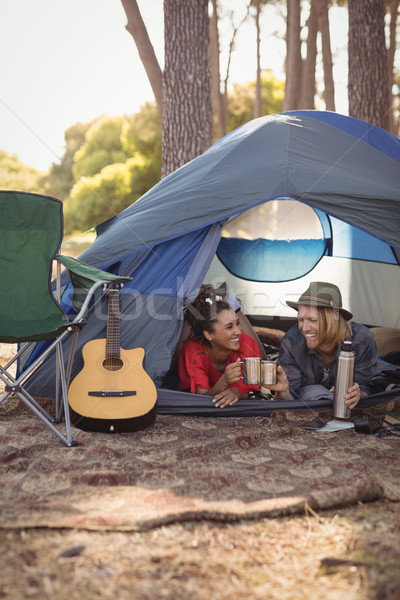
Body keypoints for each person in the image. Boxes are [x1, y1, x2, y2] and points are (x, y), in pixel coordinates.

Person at [264, 281, 378, 409]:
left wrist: (357, 394)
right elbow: (292, 396)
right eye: (300, 320)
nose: (304, 328)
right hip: (310, 398)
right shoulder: (291, 342)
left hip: (345, 408)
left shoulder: (363, 339)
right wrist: (283, 392)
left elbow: (364, 384)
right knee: (312, 390)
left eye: (312, 320)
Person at [177, 284, 261, 408]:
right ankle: (190, 304)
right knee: (175, 358)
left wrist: (236, 391)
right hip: (187, 357)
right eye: (229, 327)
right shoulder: (194, 352)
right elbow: (201, 397)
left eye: (238, 323)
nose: (238, 331)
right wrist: (224, 381)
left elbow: (249, 387)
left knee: (262, 359)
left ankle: (233, 303)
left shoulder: (245, 343)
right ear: (209, 335)